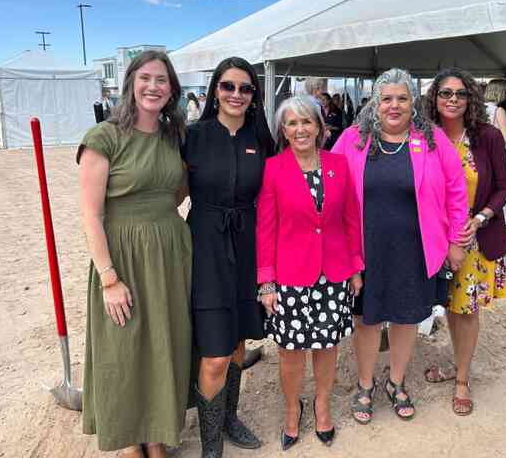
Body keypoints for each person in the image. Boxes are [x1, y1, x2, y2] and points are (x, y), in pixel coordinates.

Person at [332, 68, 469, 424]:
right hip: (366, 247)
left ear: (414, 104)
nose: (394, 106)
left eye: (402, 98)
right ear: (375, 103)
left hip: (415, 247)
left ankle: (395, 381)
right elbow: (332, 189)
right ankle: (365, 384)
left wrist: (456, 241)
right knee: (366, 318)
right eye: (387, 99)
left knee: (406, 316)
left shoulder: (433, 140)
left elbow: (456, 191)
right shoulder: (353, 139)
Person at [78, 50, 192, 457]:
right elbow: (91, 215)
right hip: (122, 255)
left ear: (172, 89)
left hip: (169, 253)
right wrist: (109, 278)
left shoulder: (173, 136)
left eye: (162, 80)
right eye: (145, 78)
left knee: (164, 343)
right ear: (131, 83)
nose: (153, 87)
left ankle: (157, 436)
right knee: (124, 348)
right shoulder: (104, 137)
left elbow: (176, 192)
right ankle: (129, 441)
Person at [257, 96, 364, 451]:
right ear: (283, 131)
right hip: (289, 276)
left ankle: (321, 403)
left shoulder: (339, 164)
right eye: (292, 123)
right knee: (290, 350)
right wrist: (266, 281)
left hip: (333, 273)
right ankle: (292, 409)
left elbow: (351, 218)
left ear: (320, 126)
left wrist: (355, 267)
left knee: (327, 346)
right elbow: (266, 228)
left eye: (307, 121)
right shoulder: (273, 168)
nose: (300, 129)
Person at [183, 56, 275, 458]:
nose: (236, 94)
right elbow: (169, 192)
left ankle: (229, 418)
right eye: (228, 86)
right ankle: (210, 444)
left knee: (238, 343)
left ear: (254, 95)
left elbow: (276, 195)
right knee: (215, 352)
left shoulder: (261, 137)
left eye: (245, 88)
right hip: (205, 248)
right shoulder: (193, 136)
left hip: (249, 247)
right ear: (214, 91)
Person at [419, 67, 506, 416]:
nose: (452, 99)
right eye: (445, 93)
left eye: (459, 93)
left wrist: (480, 217)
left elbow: (505, 186)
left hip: (474, 236)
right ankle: (455, 365)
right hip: (434, 237)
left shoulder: (486, 136)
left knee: (465, 310)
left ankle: (461, 379)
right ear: (434, 98)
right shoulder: (424, 136)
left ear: (470, 97)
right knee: (446, 306)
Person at [483, 79, 506, 226]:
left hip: (483, 152)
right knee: (503, 187)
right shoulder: (499, 110)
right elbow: (504, 137)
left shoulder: (480, 108)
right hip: (498, 153)